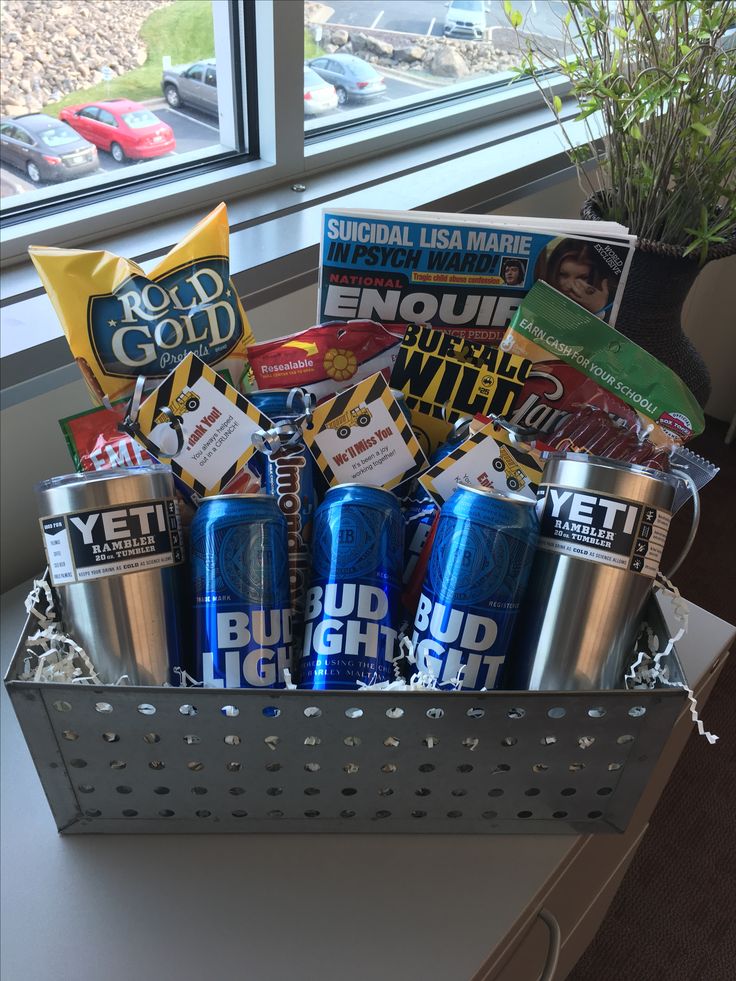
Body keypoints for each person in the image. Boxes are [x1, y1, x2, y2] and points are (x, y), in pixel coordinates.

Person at [539, 240, 619, 318]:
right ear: (552, 271)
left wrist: (599, 310)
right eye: (563, 275)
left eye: (582, 277)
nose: (570, 286)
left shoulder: (612, 304)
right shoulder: (538, 298)